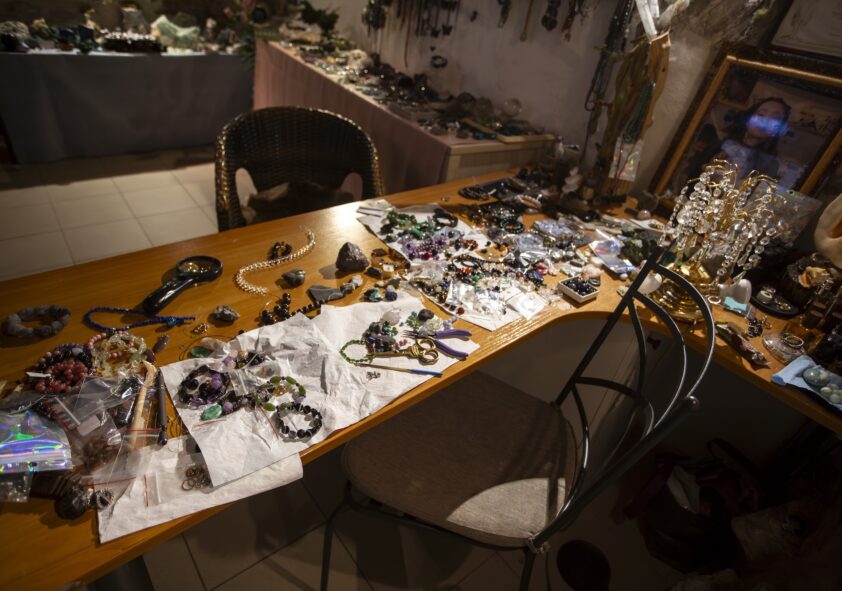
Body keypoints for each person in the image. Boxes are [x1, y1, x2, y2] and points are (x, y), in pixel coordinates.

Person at [675, 97, 792, 191]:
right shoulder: (720, 146)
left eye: (774, 119)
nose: (765, 121)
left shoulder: (771, 166)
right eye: (761, 114)